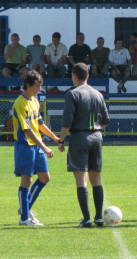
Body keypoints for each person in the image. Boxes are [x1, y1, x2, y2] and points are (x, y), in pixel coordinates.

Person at [57, 63, 110, 228]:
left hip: (79, 137)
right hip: (97, 136)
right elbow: (106, 120)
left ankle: (87, 219)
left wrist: (61, 140)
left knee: (81, 179)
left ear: (74, 76)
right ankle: (99, 218)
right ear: (88, 76)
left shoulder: (72, 94)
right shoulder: (98, 94)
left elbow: (67, 121)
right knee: (97, 178)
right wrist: (98, 132)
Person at [12, 70, 60, 226]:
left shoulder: (35, 100)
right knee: (27, 180)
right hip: (26, 145)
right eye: (37, 86)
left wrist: (54, 137)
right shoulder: (20, 103)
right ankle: (24, 218)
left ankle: (25, 209)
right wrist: (45, 147)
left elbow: (39, 123)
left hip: (37, 145)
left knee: (45, 177)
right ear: (28, 84)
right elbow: (27, 130)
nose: (39, 89)